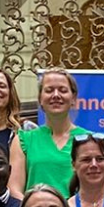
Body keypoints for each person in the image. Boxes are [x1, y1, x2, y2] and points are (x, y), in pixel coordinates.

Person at [11, 68, 89, 197]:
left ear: (73, 98)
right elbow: (14, 190)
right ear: (40, 99)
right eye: (49, 90)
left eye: (63, 90)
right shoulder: (23, 140)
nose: (56, 95)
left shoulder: (88, 139)